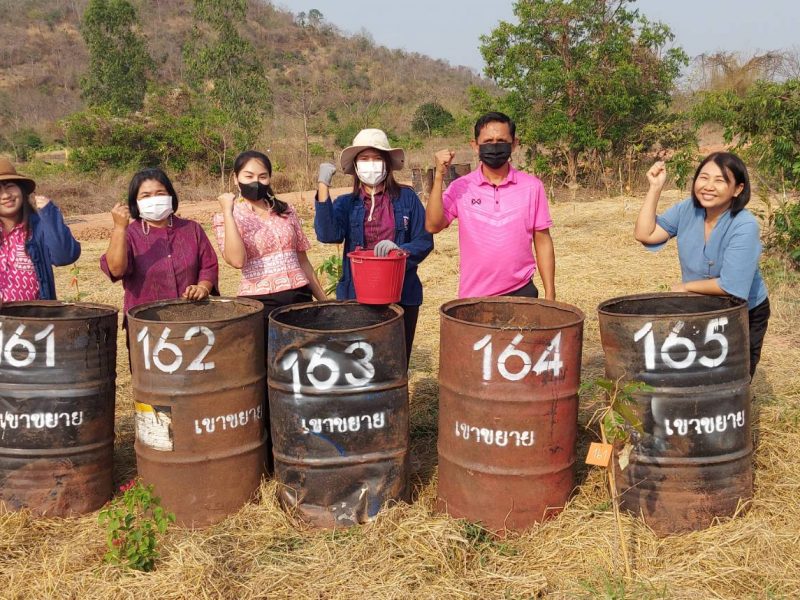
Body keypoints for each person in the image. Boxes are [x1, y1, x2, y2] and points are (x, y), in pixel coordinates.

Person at [634, 153, 770, 377]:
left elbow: (732, 286)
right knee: (696, 375)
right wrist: (655, 188)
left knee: (733, 378)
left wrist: (686, 287)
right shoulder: (687, 209)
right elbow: (645, 234)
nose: (708, 186)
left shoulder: (744, 225)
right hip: (699, 307)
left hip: (742, 313)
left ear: (737, 189)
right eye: (703, 177)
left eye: (720, 180)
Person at [315, 129, 433, 366]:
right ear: (356, 166)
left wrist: (399, 251)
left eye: (377, 158)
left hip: (401, 293)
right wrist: (323, 186)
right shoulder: (346, 203)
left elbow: (424, 240)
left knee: (396, 361)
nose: (371, 164)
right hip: (357, 294)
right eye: (364, 159)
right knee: (358, 364)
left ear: (387, 163)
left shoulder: (407, 198)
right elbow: (328, 235)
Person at [425, 111, 556, 300]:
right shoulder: (461, 187)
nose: (494, 146)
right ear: (475, 145)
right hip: (474, 298)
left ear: (514, 144)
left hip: (522, 292)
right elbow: (433, 225)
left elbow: (543, 241)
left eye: (501, 140)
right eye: (487, 141)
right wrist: (439, 176)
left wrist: (550, 295)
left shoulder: (532, 187)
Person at [212, 150, 326, 329]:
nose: (256, 182)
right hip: (260, 305)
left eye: (262, 176)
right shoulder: (225, 218)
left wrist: (325, 303)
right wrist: (228, 211)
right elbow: (237, 261)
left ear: (269, 179)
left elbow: (303, 261)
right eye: (248, 176)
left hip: (300, 298)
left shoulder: (286, 211)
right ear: (235, 178)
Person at [101, 167, 218, 324]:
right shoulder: (129, 234)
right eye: (146, 196)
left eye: (160, 193)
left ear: (170, 196)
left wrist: (203, 287)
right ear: (135, 202)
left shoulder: (192, 229)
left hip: (191, 320)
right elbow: (116, 269)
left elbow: (208, 266)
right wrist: (119, 228)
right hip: (146, 324)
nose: (154, 199)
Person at [0, 158, 80, 302]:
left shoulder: (38, 228)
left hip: (37, 314)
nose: (5, 195)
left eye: (10, 186)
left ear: (21, 190)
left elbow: (65, 256)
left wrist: (50, 215)